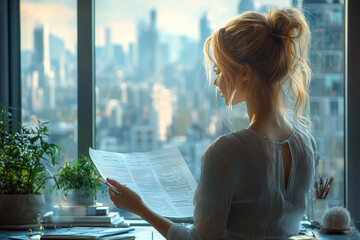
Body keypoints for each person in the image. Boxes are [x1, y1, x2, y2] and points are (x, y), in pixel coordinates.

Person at [107, 7, 319, 240]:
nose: (216, 81)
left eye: (219, 70)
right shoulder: (307, 144)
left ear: (245, 73)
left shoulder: (225, 152)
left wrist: (140, 208)